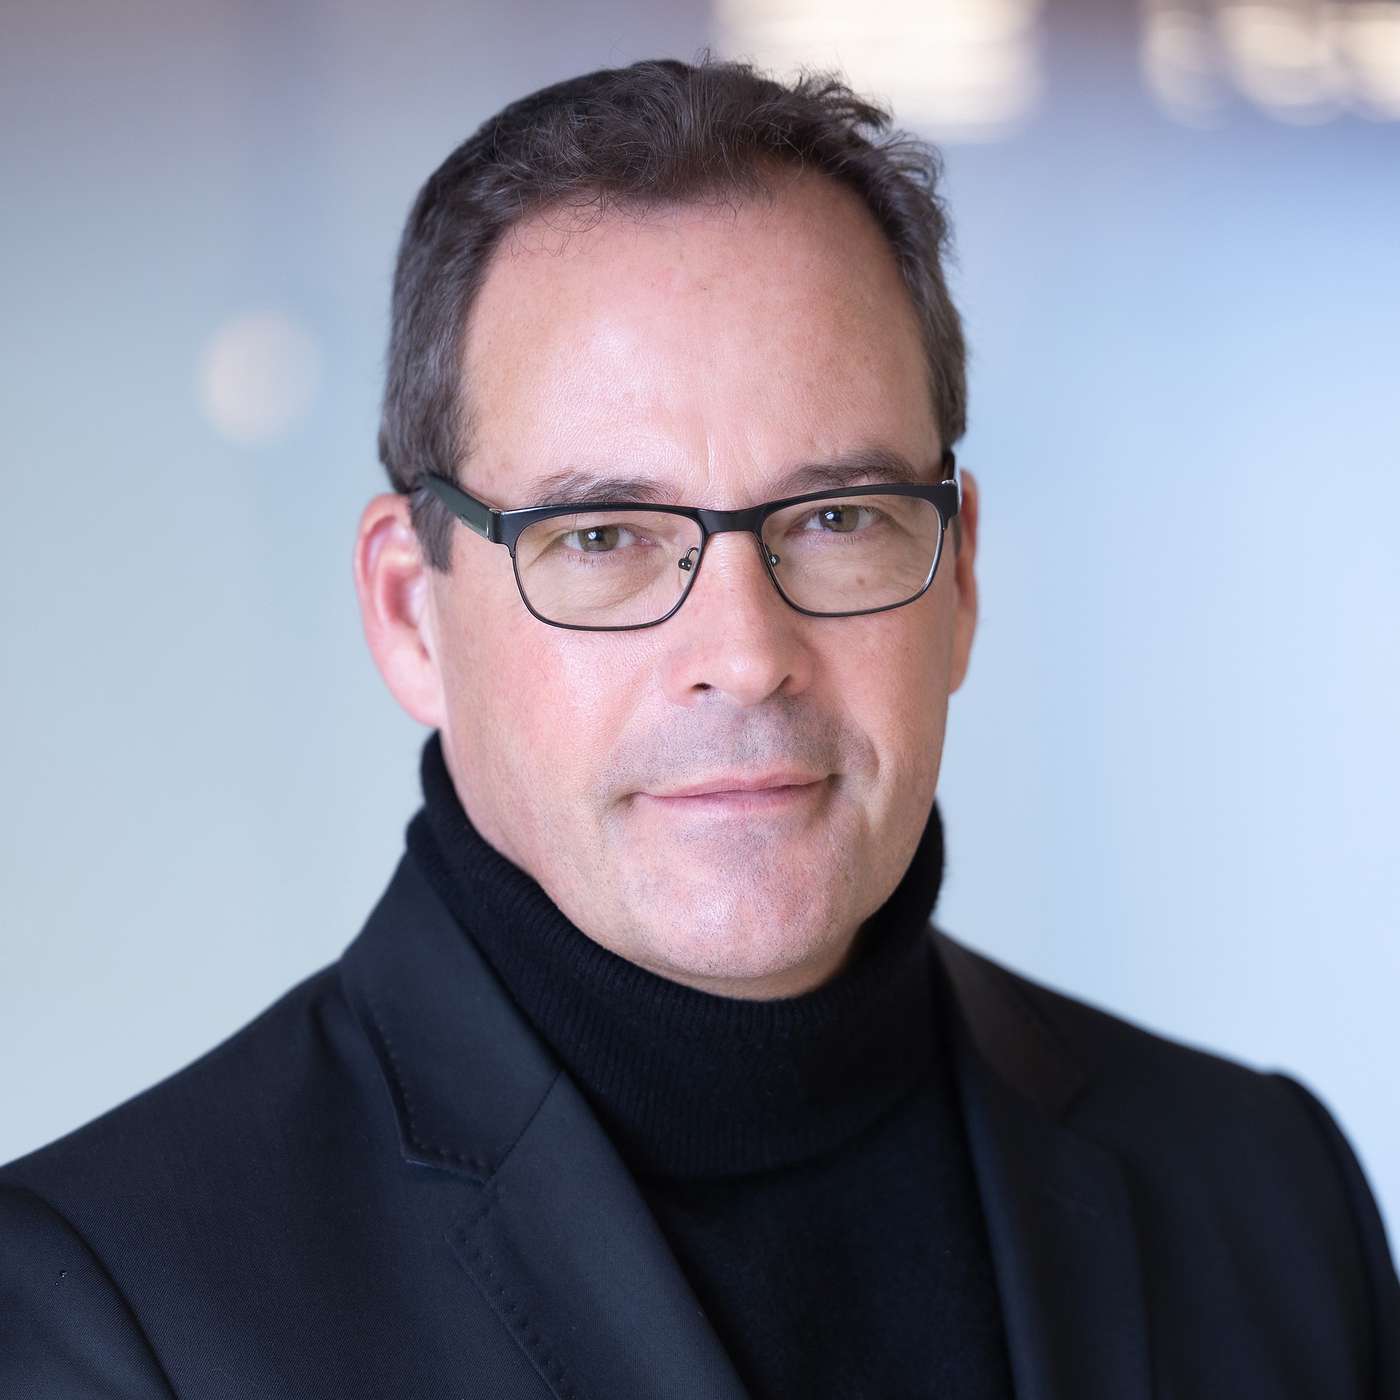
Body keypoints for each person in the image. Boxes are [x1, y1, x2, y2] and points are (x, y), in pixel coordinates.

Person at [2, 54, 1395, 1400]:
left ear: (960, 578)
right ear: (411, 613)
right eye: (602, 534)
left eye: (837, 517)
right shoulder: (113, 1313)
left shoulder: (1266, 1193)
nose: (745, 658)